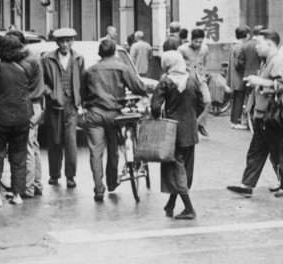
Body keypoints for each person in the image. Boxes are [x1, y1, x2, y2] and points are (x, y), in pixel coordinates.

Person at [227, 31, 283, 197]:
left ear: (270, 44)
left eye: (259, 43)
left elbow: (280, 85)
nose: (256, 47)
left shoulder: (278, 62)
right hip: (264, 115)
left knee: (278, 150)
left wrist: (258, 81)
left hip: (272, 116)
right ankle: (247, 184)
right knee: (258, 150)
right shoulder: (269, 62)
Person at [81, 37, 148, 202]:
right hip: (114, 114)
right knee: (113, 149)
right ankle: (111, 182)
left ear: (100, 53)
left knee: (95, 152)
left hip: (94, 113)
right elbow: (138, 87)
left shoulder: (90, 70)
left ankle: (98, 188)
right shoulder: (122, 68)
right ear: (113, 52)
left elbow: (83, 94)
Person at [0, 31, 41, 206]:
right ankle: (17, 195)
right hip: (22, 117)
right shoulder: (27, 67)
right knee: (19, 157)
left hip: (0, 117)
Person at [150, 50, 205, 219]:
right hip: (190, 131)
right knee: (184, 170)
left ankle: (189, 209)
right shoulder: (192, 79)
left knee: (175, 169)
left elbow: (155, 107)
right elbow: (201, 104)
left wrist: (157, 117)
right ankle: (171, 204)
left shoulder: (165, 81)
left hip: (173, 132)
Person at [40, 27, 85, 189]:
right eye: (62, 41)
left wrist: (82, 103)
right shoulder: (46, 58)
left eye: (68, 41)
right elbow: (41, 82)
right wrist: (50, 93)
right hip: (53, 106)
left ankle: (71, 176)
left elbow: (82, 81)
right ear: (57, 42)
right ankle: (54, 175)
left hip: (72, 105)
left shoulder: (79, 58)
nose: (65, 44)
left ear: (72, 41)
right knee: (54, 141)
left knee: (71, 141)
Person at [20, 34, 47, 199]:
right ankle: (37, 184)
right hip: (36, 105)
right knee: (34, 147)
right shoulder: (34, 57)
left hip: (29, 105)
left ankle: (28, 188)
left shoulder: (27, 61)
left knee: (28, 148)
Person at [179, 29, 212, 137]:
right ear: (191, 39)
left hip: (201, 79)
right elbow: (178, 65)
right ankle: (191, 127)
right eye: (196, 41)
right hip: (187, 81)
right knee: (189, 104)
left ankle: (199, 124)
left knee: (207, 101)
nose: (198, 44)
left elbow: (205, 63)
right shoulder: (182, 49)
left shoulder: (205, 48)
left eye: (200, 42)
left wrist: (205, 73)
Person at [229, 26, 250, 129]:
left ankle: (233, 121)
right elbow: (239, 64)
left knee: (236, 100)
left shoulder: (234, 45)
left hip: (234, 78)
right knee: (239, 100)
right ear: (244, 36)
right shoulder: (240, 47)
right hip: (239, 78)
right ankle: (237, 122)